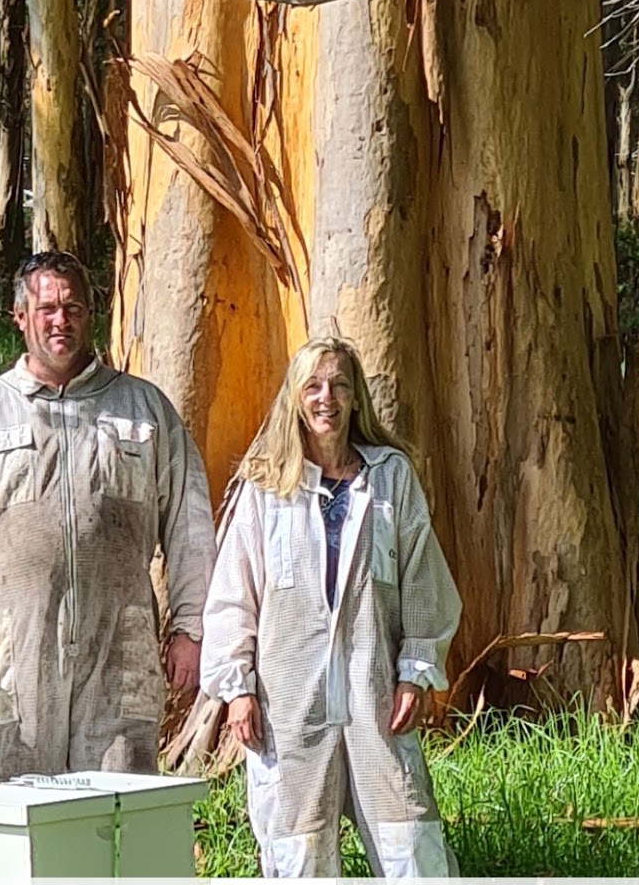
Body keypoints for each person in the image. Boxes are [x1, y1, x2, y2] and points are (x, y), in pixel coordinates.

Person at [0, 250, 216, 784]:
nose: (61, 319)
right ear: (20, 317)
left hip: (118, 651)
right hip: (8, 656)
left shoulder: (144, 410)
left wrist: (191, 628)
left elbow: (192, 530)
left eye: (73, 306)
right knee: (16, 821)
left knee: (116, 820)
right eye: (47, 307)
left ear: (90, 312)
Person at [201, 335, 462, 878]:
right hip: (289, 706)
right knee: (299, 855)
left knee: (413, 848)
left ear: (356, 398)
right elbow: (233, 595)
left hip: (376, 699)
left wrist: (415, 671)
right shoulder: (266, 486)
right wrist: (237, 689)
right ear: (295, 397)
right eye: (313, 385)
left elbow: (423, 581)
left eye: (340, 385)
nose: (327, 397)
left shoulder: (389, 478)